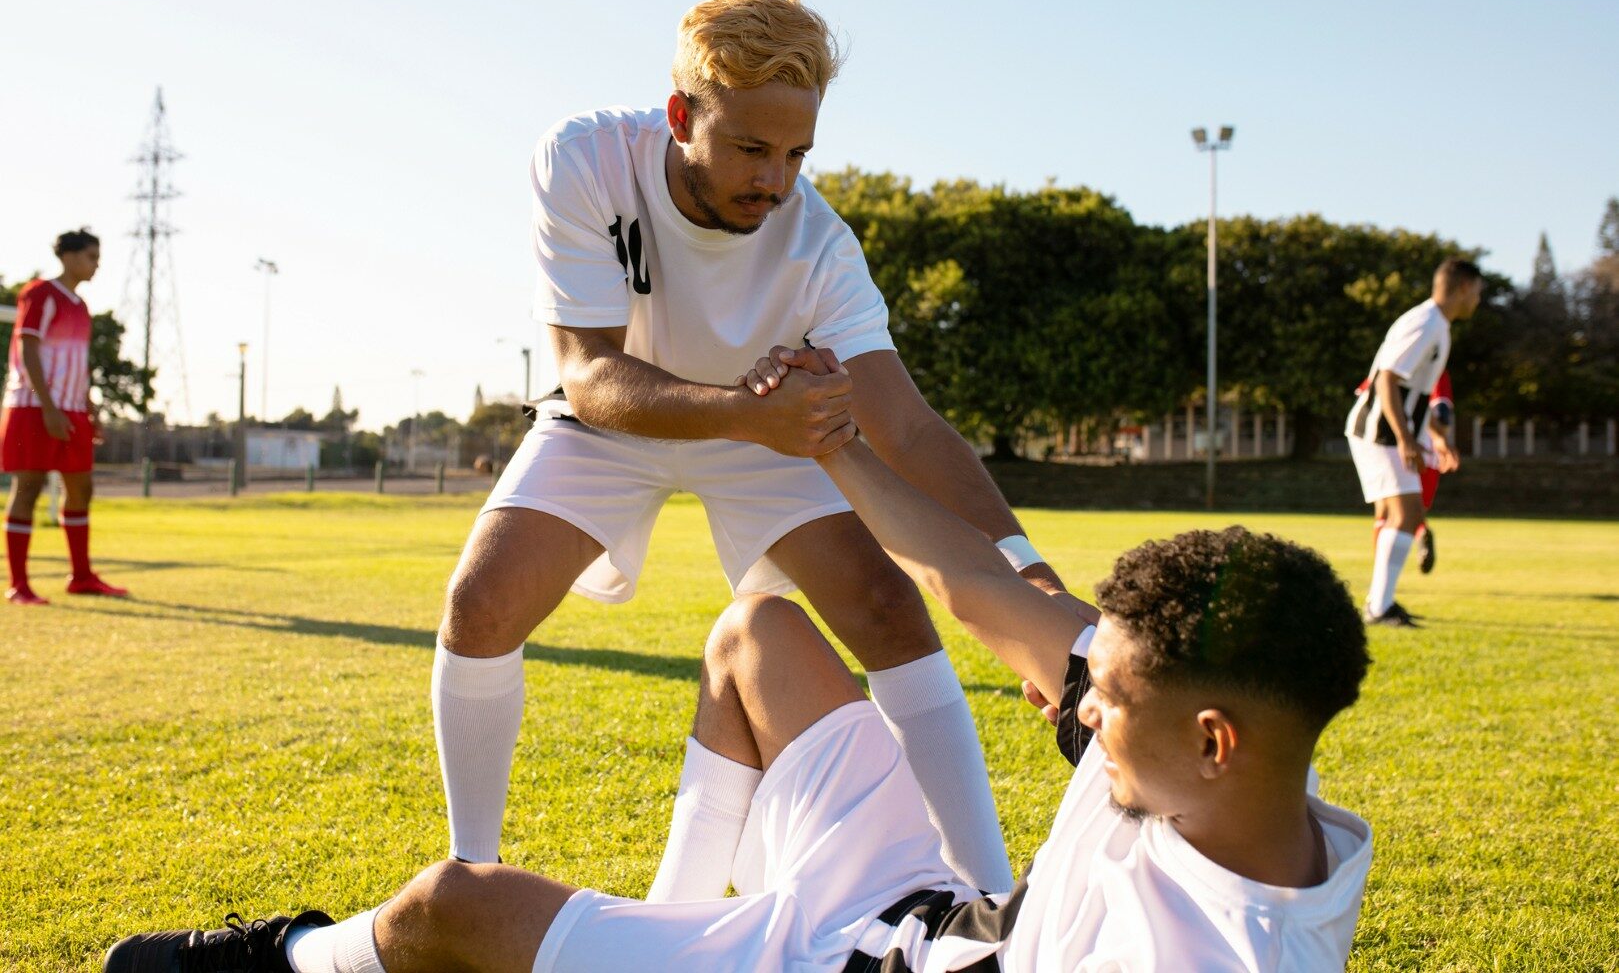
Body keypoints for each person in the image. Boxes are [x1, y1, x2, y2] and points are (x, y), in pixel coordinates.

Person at [102, 349, 1375, 973]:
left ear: (1211, 741)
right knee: (760, 632)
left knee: (456, 904)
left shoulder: (1221, 957)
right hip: (938, 919)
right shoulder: (1206, 756)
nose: (1074, 703)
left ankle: (281, 963)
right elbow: (976, 583)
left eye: (1106, 703)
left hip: (851, 967)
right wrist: (831, 446)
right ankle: (674, 920)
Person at [431, 0, 1059, 894]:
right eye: (751, 148)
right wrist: (737, 408)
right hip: (619, 411)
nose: (774, 180)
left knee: (888, 612)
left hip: (760, 435)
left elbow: (908, 426)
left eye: (797, 153)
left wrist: (1027, 574)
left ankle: (986, 896)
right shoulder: (584, 157)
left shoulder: (820, 247)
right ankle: (471, 877)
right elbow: (589, 375)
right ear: (683, 115)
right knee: (480, 603)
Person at [1345, 258, 1482, 626]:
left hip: (1390, 432)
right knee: (1406, 514)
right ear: (1464, 287)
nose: (1478, 301)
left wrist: (1437, 436)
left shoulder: (1438, 325)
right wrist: (1405, 438)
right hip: (1378, 431)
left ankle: (1380, 603)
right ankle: (1379, 607)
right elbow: (1386, 380)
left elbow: (1416, 395)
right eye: (1478, 292)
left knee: (1407, 514)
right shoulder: (1425, 323)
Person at [2, 228, 128, 605]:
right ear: (69, 257)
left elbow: (77, 363)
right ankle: (19, 585)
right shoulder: (40, 293)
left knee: (81, 487)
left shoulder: (80, 305)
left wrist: (89, 408)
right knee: (29, 487)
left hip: (72, 409)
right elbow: (28, 347)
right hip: (33, 406)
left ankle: (81, 576)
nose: (96, 265)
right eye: (91, 257)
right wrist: (49, 406)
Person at [1363, 370, 1457, 574]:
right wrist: (1440, 438)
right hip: (1427, 454)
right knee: (1411, 512)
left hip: (1396, 446)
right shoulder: (1435, 368)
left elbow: (1368, 397)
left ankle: (1381, 578)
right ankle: (1421, 531)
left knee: (1386, 512)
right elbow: (1442, 414)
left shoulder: (1394, 363)